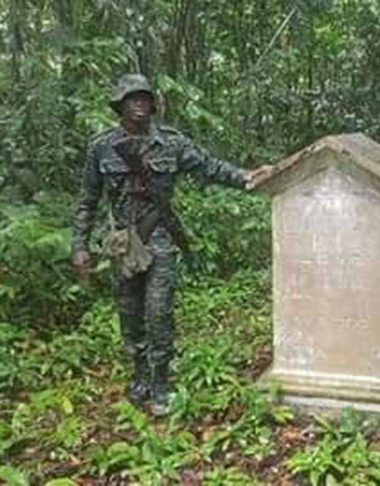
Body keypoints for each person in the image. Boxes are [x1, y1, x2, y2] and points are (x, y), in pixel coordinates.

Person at [71, 73, 271, 416]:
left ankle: (161, 382)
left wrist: (248, 177)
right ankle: (140, 377)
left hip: (160, 239)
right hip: (121, 243)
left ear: (152, 104)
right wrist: (80, 244)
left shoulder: (172, 143)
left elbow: (210, 167)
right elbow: (87, 199)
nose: (138, 104)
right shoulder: (101, 146)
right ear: (119, 104)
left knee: (159, 312)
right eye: (131, 98)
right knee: (129, 314)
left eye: (144, 98)